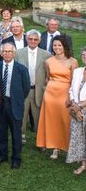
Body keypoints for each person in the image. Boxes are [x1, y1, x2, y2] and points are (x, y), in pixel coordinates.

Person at [36, 35, 77, 159]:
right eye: (55, 45)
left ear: (65, 46)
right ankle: (55, 148)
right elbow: (48, 78)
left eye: (59, 45)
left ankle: (67, 146)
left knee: (65, 120)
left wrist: (71, 97)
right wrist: (47, 90)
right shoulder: (48, 61)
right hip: (50, 94)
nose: (57, 47)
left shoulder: (72, 61)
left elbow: (74, 81)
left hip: (65, 93)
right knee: (52, 121)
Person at [0, 42, 31, 169]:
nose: (7, 54)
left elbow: (26, 88)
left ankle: (16, 158)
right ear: (1, 53)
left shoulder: (21, 69)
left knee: (16, 133)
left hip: (15, 103)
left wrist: (17, 99)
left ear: (14, 53)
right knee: (2, 131)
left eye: (10, 51)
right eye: (4, 51)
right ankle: (2, 155)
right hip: (0, 104)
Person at [15, 30, 50, 141]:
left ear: (39, 40)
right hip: (23, 89)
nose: (33, 41)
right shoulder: (18, 53)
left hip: (38, 89)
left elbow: (49, 73)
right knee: (22, 113)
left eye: (35, 39)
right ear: (26, 39)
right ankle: (22, 135)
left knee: (38, 114)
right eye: (30, 39)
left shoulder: (46, 54)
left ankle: (39, 137)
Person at [67, 47, 86, 175]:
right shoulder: (78, 71)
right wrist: (75, 106)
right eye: (83, 55)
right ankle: (83, 164)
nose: (85, 57)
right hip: (77, 109)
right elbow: (71, 90)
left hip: (83, 107)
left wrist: (81, 106)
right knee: (79, 137)